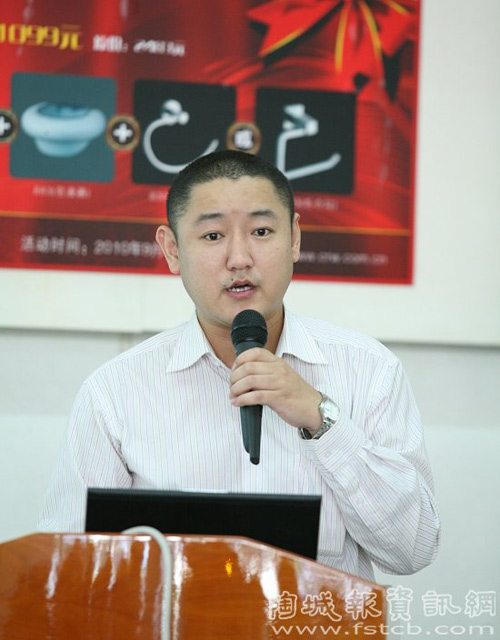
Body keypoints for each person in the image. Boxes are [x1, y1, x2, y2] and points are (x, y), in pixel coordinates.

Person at [38, 150, 440, 581]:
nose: (239, 258)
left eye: (261, 231)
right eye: (213, 236)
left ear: (295, 239)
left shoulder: (369, 370)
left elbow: (412, 549)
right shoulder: (115, 391)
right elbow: (67, 566)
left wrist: (322, 418)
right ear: (172, 250)